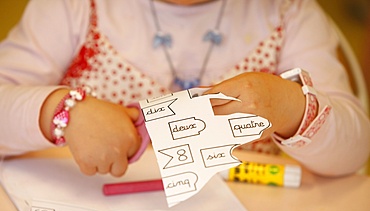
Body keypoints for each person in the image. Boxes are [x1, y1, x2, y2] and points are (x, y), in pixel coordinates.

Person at [0, 0, 369, 178]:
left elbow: (354, 152)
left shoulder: (290, 14)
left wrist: (289, 107)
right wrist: (62, 113)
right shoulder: (73, 7)